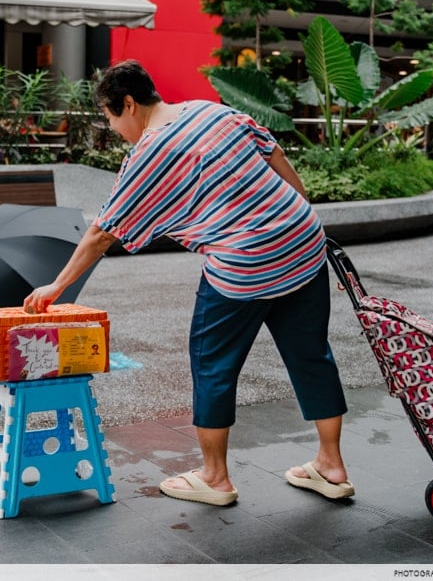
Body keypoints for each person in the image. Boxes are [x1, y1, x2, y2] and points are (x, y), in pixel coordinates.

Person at [23, 60, 353, 507]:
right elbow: (273, 152)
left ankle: (215, 479)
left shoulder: (149, 152)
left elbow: (103, 232)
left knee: (212, 364)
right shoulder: (210, 111)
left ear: (129, 104)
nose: (115, 129)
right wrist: (296, 214)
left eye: (110, 117)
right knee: (312, 354)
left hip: (242, 264)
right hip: (303, 242)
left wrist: (55, 287)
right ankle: (331, 467)